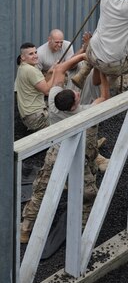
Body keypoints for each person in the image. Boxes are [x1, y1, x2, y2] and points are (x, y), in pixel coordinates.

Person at [20, 55, 110, 243]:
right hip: (77, 158)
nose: (77, 94)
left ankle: (25, 228)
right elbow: (104, 97)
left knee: (40, 190)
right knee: (88, 194)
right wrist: (102, 71)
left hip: (54, 154)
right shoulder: (83, 113)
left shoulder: (53, 102)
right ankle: (82, 233)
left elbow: (60, 70)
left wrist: (84, 55)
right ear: (74, 106)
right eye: (77, 96)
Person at [15, 42, 55, 131]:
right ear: (23, 57)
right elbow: (47, 91)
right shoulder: (31, 70)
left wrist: (50, 73)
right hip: (36, 117)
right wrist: (57, 72)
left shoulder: (23, 67)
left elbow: (44, 84)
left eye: (35, 52)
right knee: (62, 125)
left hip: (29, 116)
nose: (35, 56)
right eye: (31, 54)